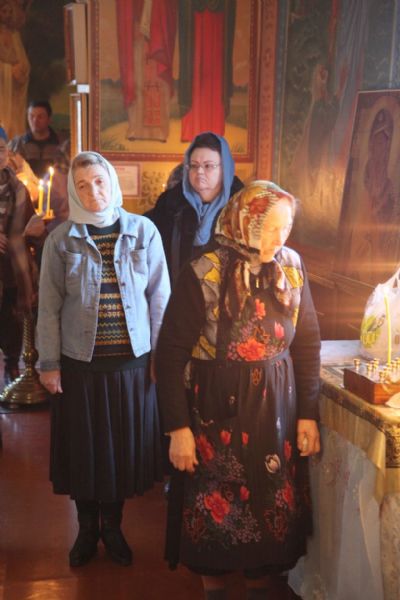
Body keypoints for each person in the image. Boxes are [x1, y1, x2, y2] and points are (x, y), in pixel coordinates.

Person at [156, 181, 321, 599]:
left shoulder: (292, 267)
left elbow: (307, 344)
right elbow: (170, 356)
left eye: (286, 227)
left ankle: (259, 589)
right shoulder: (204, 271)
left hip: (275, 413)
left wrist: (308, 415)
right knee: (216, 509)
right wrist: (178, 429)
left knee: (269, 509)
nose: (279, 238)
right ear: (244, 222)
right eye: (270, 228)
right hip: (216, 411)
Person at [37, 151, 170, 568]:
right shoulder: (61, 240)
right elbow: (49, 307)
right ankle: (86, 529)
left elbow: (160, 299)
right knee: (84, 451)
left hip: (131, 366)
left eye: (98, 181)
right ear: (74, 192)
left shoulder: (143, 231)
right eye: (82, 185)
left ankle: (112, 527)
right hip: (79, 366)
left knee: (119, 453)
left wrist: (160, 359)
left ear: (111, 182)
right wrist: (48, 363)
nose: (92, 191)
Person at [146, 131, 243, 287]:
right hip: (178, 297)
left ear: (225, 169)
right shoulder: (168, 207)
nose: (199, 172)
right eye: (194, 166)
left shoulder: (242, 209)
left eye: (208, 166)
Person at [0, 126, 45, 385]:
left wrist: (37, 230)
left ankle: (12, 370)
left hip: (12, 272)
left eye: (1, 149)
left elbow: (30, 229)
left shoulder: (19, 190)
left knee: (12, 325)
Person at [9, 100, 60, 178]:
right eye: (31, 116)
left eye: (40, 117)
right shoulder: (16, 144)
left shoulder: (60, 143)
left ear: (49, 119)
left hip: (54, 185)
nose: (35, 120)